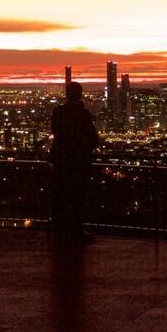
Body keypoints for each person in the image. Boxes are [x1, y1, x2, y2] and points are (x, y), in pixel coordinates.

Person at [49, 81, 100, 246]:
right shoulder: (82, 114)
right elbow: (93, 140)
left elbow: (55, 132)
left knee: (60, 196)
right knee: (76, 197)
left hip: (60, 161)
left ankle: (60, 229)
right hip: (77, 162)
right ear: (80, 94)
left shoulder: (59, 112)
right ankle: (76, 231)